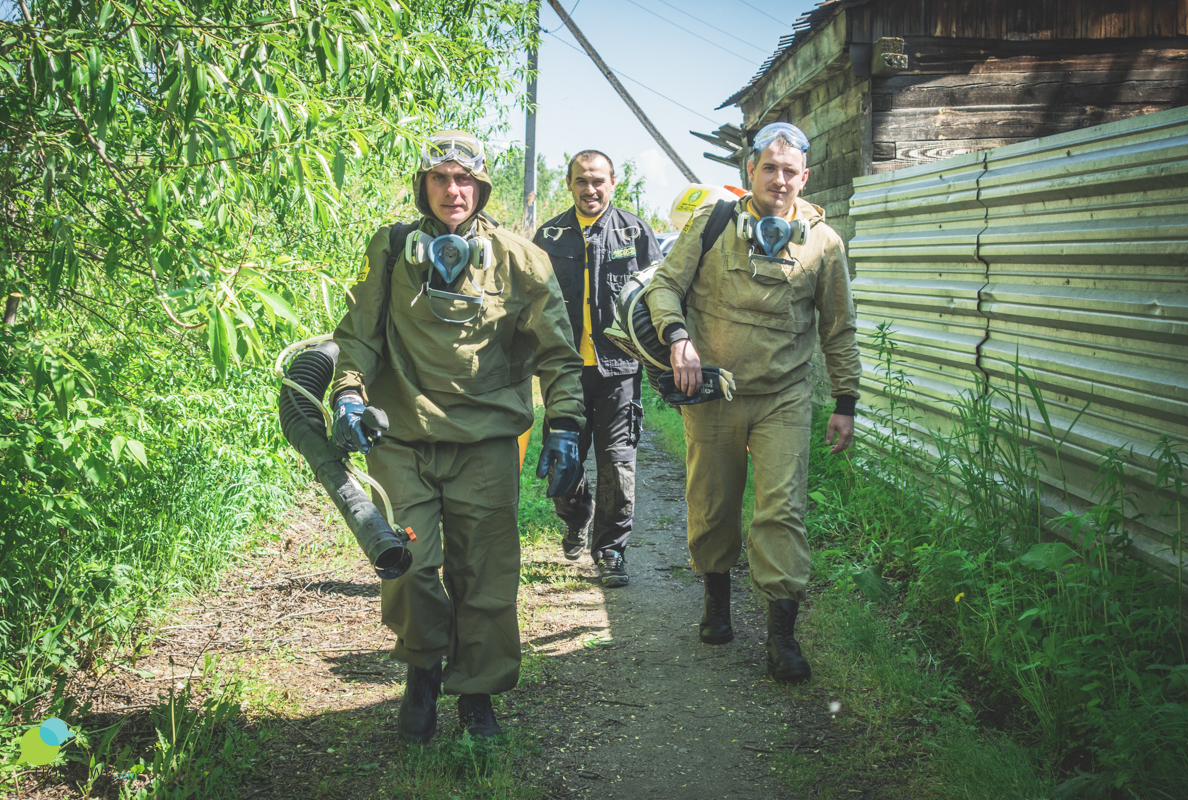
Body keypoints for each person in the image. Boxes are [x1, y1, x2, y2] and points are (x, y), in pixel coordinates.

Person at [328, 130, 586, 741]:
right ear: (424, 187)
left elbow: (558, 352)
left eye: (464, 179)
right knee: (410, 566)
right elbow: (357, 334)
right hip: (400, 439)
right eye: (440, 178)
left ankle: (477, 696)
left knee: (486, 573)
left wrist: (567, 423)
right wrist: (347, 392)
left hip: (487, 444)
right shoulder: (391, 250)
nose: (453, 190)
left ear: (482, 187)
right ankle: (421, 672)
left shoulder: (521, 259)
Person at [643, 121, 862, 683]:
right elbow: (664, 285)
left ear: (804, 177)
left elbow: (839, 328)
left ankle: (781, 637)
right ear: (751, 172)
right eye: (770, 168)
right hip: (713, 392)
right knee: (714, 504)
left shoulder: (824, 243)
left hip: (784, 397)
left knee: (781, 509)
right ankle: (717, 600)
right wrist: (677, 338)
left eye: (790, 171)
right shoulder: (713, 223)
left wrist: (846, 400)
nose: (780, 180)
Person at [534, 150, 663, 588]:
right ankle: (575, 519)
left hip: (619, 369)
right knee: (564, 462)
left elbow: (659, 294)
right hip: (564, 369)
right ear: (568, 184)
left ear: (613, 183)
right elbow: (528, 303)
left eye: (598, 181)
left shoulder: (634, 231)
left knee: (617, 463)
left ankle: (610, 551)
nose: (590, 189)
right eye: (581, 181)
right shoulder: (548, 236)